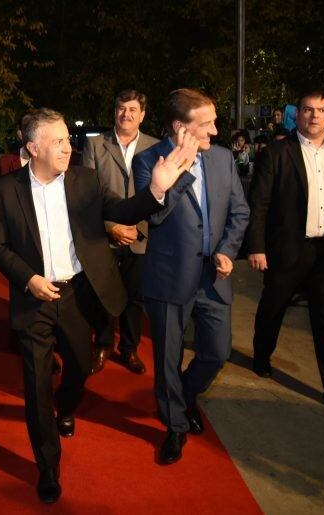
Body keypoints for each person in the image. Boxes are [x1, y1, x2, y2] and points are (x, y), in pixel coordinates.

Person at [0, 107, 198, 503]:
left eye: (68, 138)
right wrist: (27, 278)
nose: (69, 147)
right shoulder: (5, 189)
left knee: (80, 368)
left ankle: (66, 407)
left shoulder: (85, 180)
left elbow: (121, 211)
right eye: (58, 142)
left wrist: (155, 190)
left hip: (77, 294)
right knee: (35, 387)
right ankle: (48, 465)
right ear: (32, 148)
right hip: (33, 298)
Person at [133, 88, 249, 465]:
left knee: (216, 352)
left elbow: (239, 212)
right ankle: (175, 426)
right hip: (169, 277)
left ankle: (181, 396)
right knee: (167, 358)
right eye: (207, 124)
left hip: (213, 278)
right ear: (180, 128)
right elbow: (155, 216)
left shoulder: (223, 159)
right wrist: (180, 168)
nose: (215, 131)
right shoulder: (148, 160)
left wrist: (228, 251)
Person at [246, 90, 324, 418]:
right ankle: (262, 356)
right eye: (308, 110)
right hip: (287, 251)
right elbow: (258, 203)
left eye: (322, 110)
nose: (315, 116)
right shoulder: (277, 152)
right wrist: (256, 247)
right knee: (272, 309)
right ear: (298, 114)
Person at [82, 89, 159, 375]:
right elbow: (86, 194)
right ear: (114, 111)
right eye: (121, 108)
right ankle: (101, 344)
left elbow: (159, 194)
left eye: (132, 109)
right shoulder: (95, 145)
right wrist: (110, 226)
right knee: (103, 294)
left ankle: (129, 349)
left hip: (141, 236)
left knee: (134, 298)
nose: (126, 114)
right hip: (104, 235)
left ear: (142, 115)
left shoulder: (155, 147)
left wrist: (136, 226)